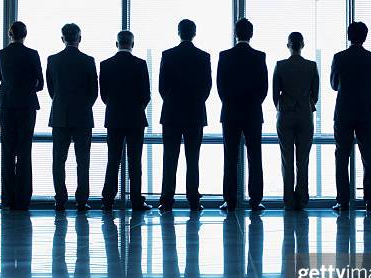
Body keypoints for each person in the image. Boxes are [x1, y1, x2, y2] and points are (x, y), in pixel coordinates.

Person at [158, 19, 212, 212]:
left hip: (172, 113)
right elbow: (207, 87)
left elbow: (162, 87)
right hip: (195, 113)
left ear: (178, 32)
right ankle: (194, 200)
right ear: (194, 33)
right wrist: (196, 102)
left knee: (169, 158)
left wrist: (172, 100)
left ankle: (166, 200)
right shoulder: (203, 57)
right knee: (193, 159)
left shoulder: (168, 55)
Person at [46, 23, 98, 212]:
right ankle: (81, 200)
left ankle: (60, 200)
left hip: (60, 116)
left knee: (58, 161)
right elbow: (94, 91)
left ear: (62, 39)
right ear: (79, 38)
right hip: (83, 116)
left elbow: (52, 90)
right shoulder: (88, 60)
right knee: (83, 161)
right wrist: (84, 106)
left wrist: (61, 104)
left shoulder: (52, 60)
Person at [217, 18, 268, 212]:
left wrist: (229, 103)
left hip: (230, 112)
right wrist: (254, 103)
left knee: (230, 157)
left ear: (235, 33)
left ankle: (229, 200)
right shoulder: (259, 56)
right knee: (255, 156)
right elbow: (264, 87)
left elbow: (220, 86)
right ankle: (255, 200)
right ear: (251, 34)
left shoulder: (225, 56)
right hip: (253, 112)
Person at [0, 21, 44, 211]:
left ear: (10, 34)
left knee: (7, 151)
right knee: (24, 151)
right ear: (25, 34)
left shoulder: (1, 54)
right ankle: (22, 199)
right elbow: (40, 83)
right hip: (27, 104)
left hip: (6, 103)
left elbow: (2, 78)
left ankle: (7, 199)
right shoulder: (32, 54)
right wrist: (29, 88)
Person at [100, 31, 152, 212]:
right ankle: (136, 201)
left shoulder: (105, 65)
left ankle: (108, 200)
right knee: (135, 161)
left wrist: (115, 107)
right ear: (132, 44)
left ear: (117, 44)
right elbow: (146, 94)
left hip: (114, 118)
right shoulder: (140, 64)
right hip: (135, 119)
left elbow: (104, 95)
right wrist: (136, 108)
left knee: (113, 159)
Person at [331, 22, 371, 212]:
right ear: (365, 37)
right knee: (368, 156)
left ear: (349, 36)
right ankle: (370, 201)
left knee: (342, 157)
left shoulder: (339, 57)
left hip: (344, 111)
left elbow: (334, 85)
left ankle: (343, 201)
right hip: (367, 111)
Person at [273, 32, 319, 211]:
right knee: (303, 159)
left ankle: (288, 201)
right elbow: (315, 94)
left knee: (287, 159)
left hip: (285, 115)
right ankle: (301, 199)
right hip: (305, 115)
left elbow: (275, 94)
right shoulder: (311, 66)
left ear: (288, 45)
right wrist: (306, 105)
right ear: (303, 45)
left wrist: (284, 106)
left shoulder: (281, 66)